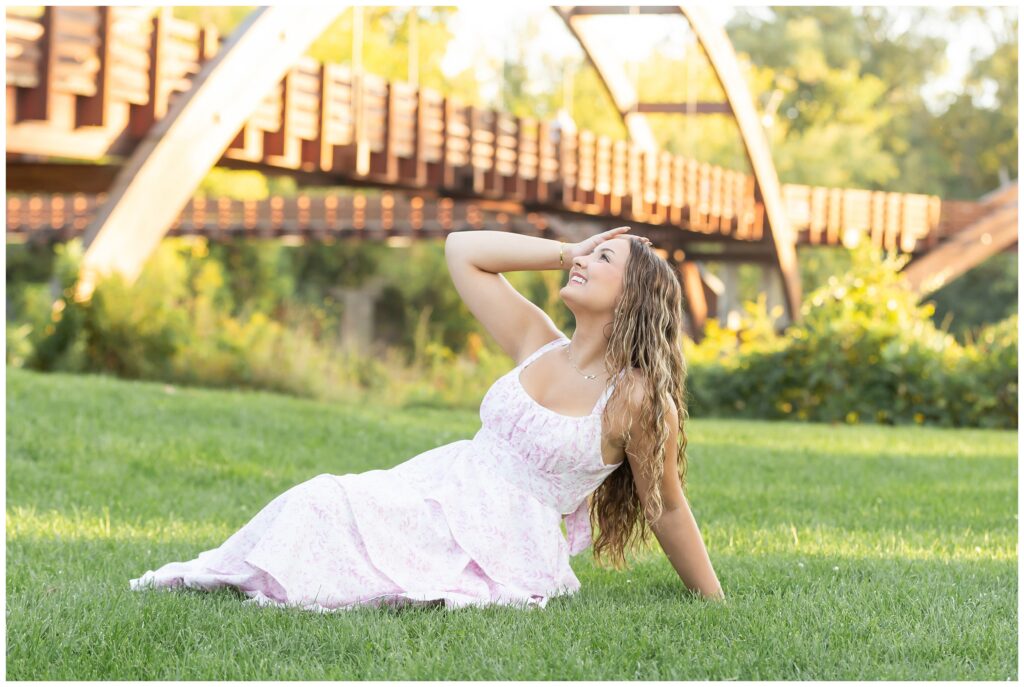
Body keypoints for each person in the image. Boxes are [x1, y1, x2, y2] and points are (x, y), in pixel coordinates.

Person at [129, 226, 725, 611]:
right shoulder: (537, 340)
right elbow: (461, 249)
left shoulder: (638, 399)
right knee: (319, 498)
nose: (582, 260)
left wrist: (712, 602)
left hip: (504, 538)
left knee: (328, 517)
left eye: (602, 257)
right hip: (441, 487)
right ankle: (241, 574)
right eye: (587, 250)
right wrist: (562, 251)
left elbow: (666, 505)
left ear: (634, 295)